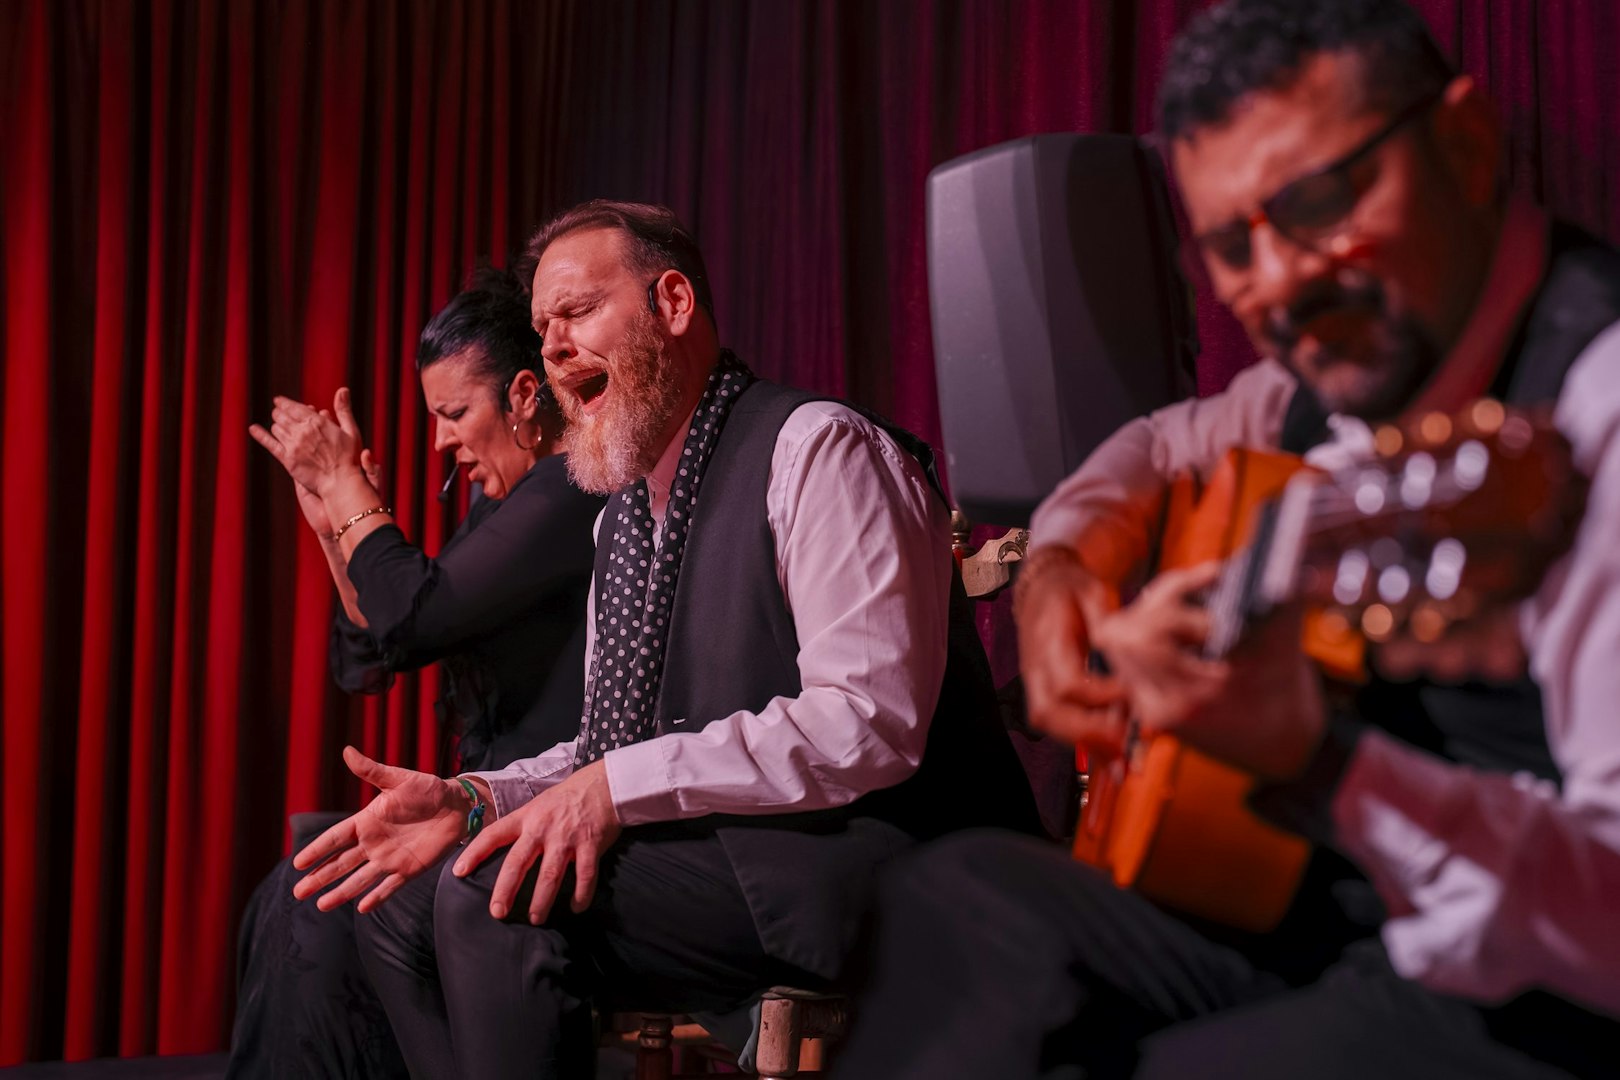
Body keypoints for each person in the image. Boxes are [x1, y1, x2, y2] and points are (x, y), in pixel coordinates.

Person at [833, 2, 1620, 1077]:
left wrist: (1324, 762)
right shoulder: (1334, 381)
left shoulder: (1596, 407)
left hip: (1541, 989)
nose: (1281, 279)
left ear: (1468, 144)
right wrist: (1061, 568)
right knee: (959, 904)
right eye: (1231, 246)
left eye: (1321, 203)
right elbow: (1154, 446)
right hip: (1337, 913)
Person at [287, 200, 1037, 1078]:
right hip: (733, 859)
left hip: (889, 862)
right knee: (394, 908)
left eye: (576, 314)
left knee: (493, 898)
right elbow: (613, 746)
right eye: (541, 328)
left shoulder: (821, 450)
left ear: (672, 305)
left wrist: (611, 787)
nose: (553, 349)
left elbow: (865, 721)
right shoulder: (625, 523)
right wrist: (480, 797)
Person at [231, 267, 605, 1079]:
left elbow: (416, 613)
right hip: (487, 811)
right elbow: (377, 651)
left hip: (550, 813)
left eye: (453, 414)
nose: (440, 440)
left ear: (524, 394)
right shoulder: (501, 507)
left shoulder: (572, 487)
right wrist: (336, 526)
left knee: (316, 902)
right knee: (303, 880)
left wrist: (346, 482)